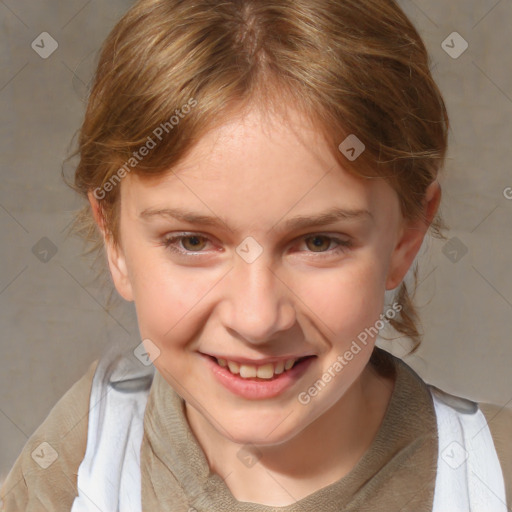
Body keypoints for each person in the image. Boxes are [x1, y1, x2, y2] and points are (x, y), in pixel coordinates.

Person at [1, 0, 510, 510]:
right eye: (193, 242)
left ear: (406, 236)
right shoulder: (77, 464)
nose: (257, 319)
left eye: (318, 242)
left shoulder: (493, 475)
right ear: (114, 240)